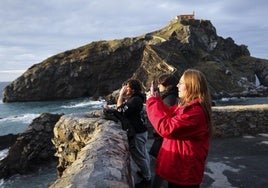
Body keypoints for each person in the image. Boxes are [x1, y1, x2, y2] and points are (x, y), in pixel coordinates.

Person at [146, 69, 213, 188]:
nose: (177, 85)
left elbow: (166, 127)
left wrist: (151, 102)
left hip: (184, 172)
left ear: (191, 86)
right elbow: (170, 114)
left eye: (181, 83)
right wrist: (156, 100)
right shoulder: (187, 107)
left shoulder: (195, 112)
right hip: (180, 169)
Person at [116, 79, 151, 187]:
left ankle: (147, 177)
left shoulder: (134, 100)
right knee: (143, 153)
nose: (125, 88)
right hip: (142, 130)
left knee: (139, 156)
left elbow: (119, 110)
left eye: (127, 87)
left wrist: (121, 95)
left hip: (137, 132)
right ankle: (146, 172)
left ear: (133, 89)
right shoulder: (138, 98)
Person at [149, 74, 178, 188]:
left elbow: (164, 124)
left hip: (164, 140)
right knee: (163, 169)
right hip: (165, 140)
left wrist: (152, 102)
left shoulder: (169, 99)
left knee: (162, 169)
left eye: (159, 84)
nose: (158, 86)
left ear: (166, 85)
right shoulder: (170, 97)